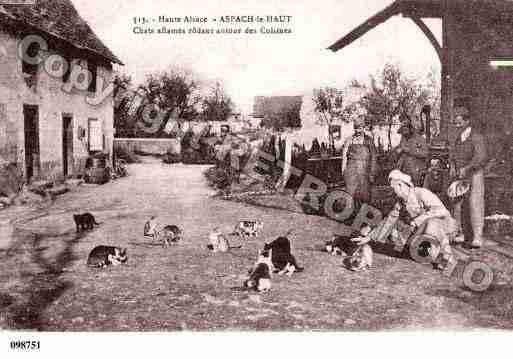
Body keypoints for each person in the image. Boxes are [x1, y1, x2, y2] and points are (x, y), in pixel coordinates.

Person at [357, 169, 457, 269]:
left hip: (446, 227)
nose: (392, 191)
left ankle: (448, 257)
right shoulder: (400, 202)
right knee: (399, 235)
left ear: (400, 185)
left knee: (431, 223)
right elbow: (389, 221)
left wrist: (418, 220)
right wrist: (369, 237)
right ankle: (429, 254)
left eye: (393, 188)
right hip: (426, 232)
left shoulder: (422, 193)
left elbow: (442, 211)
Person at [450, 104, 487, 248]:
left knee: (474, 203)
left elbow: (481, 157)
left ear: (467, 122)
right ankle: (460, 233)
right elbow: (453, 155)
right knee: (458, 204)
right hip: (461, 174)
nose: (456, 125)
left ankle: (477, 237)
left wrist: (467, 168)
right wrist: (453, 167)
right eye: (455, 122)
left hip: (474, 174)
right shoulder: (458, 139)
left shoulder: (476, 137)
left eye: (459, 122)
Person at [341, 114, 377, 204]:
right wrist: (343, 170)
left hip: (364, 170)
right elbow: (344, 156)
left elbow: (373, 157)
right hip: (351, 170)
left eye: (360, 128)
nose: (358, 131)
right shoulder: (349, 140)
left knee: (365, 194)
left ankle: (365, 213)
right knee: (350, 193)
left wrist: (372, 172)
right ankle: (349, 214)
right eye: (356, 128)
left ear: (363, 128)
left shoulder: (369, 140)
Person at [396, 114, 429, 186]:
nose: (404, 134)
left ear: (410, 129)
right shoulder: (403, 139)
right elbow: (399, 151)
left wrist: (410, 151)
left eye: (405, 130)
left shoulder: (420, 139)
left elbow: (425, 153)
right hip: (404, 173)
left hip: (416, 173)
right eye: (402, 131)